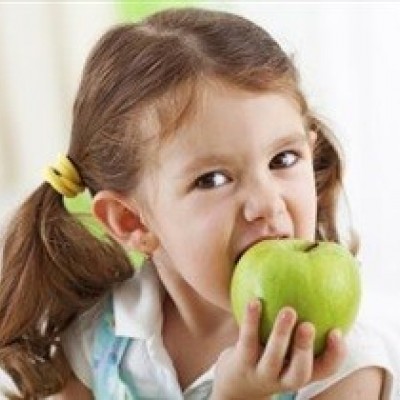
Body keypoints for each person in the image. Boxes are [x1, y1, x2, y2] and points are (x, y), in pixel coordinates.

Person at [0, 7, 396, 400]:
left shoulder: (341, 368)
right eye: (213, 180)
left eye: (283, 159)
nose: (266, 203)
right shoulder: (96, 340)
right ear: (131, 221)